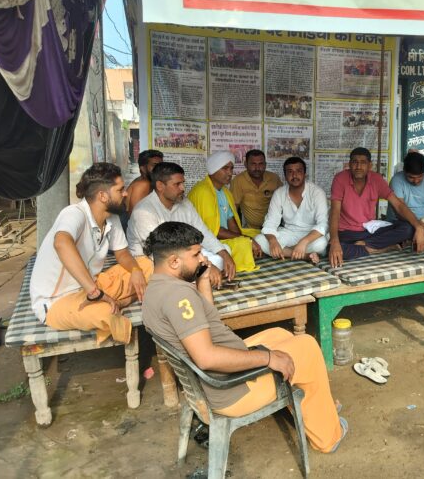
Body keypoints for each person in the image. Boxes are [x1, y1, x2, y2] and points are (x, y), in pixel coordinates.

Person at [142, 222, 347, 453]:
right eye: (196, 254)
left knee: (279, 334)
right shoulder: (179, 297)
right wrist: (267, 358)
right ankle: (328, 437)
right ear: (174, 262)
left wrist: (202, 280)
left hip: (214, 377)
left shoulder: (156, 287)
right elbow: (207, 358)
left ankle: (319, 408)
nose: (202, 259)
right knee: (308, 347)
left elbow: (209, 322)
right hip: (229, 389)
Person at [29, 163, 153, 344]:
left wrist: (135, 270)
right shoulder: (74, 213)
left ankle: (117, 300)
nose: (126, 193)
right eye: (120, 190)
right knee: (106, 314)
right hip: (57, 301)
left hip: (93, 285)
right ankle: (116, 302)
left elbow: (123, 254)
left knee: (146, 265)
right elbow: (61, 243)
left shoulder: (112, 216)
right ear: (103, 196)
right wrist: (94, 292)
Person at [126, 162, 237, 285]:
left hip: (183, 254)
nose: (183, 188)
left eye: (183, 183)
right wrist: (204, 267)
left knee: (223, 252)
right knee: (174, 268)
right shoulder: (144, 211)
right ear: (160, 186)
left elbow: (202, 231)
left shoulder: (185, 203)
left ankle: (199, 277)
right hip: (154, 260)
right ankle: (200, 277)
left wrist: (224, 254)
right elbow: (160, 250)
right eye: (177, 184)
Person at [328, 147, 424, 267]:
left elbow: (399, 205)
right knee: (331, 250)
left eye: (363, 162)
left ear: (370, 165)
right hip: (347, 233)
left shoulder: (376, 179)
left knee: (408, 228)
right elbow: (335, 212)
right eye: (355, 162)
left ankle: (364, 245)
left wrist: (418, 227)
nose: (358, 166)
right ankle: (377, 249)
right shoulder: (340, 179)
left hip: (369, 230)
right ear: (349, 164)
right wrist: (334, 241)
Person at [188, 151, 261, 272]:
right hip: (206, 241)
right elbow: (212, 232)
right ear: (213, 169)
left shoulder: (225, 192)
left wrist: (245, 238)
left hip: (222, 237)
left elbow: (231, 222)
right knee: (244, 242)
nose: (230, 172)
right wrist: (245, 240)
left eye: (231, 168)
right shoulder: (203, 191)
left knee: (258, 235)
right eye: (225, 168)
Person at [254, 157, 328, 263]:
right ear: (285, 176)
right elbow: (270, 222)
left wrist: (303, 242)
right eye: (290, 172)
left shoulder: (317, 192)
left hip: (310, 235)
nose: (294, 175)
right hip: (289, 233)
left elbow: (323, 224)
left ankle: (287, 252)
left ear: (305, 174)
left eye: (298, 171)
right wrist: (273, 241)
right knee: (259, 240)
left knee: (321, 243)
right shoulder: (279, 193)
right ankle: (304, 256)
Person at [386, 152, 424, 228]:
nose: (416, 181)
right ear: (404, 171)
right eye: (411, 177)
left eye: (420, 177)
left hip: (423, 223)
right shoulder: (396, 180)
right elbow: (400, 209)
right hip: (398, 223)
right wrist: (418, 225)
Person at [230, 149, 282, 230]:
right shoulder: (238, 181)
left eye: (260, 164)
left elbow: (284, 202)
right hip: (251, 229)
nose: (257, 168)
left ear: (265, 165)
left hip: (274, 227)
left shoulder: (274, 178)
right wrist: (235, 231)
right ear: (246, 164)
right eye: (253, 164)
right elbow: (233, 208)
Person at [126, 150, 164, 214]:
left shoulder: (148, 182)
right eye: (155, 165)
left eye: (161, 165)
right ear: (143, 168)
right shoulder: (143, 184)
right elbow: (135, 215)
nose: (159, 169)